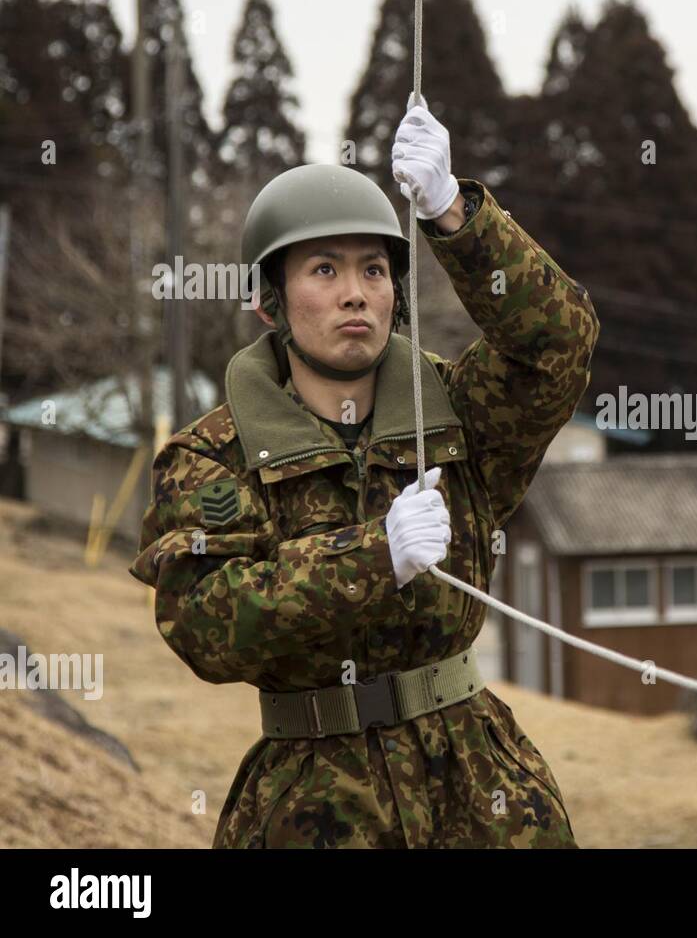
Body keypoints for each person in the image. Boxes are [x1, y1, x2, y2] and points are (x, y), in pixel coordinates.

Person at [128, 102, 598, 848]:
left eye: (374, 269)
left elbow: (559, 344)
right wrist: (371, 559)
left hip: (480, 786)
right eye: (325, 269)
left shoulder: (457, 416)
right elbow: (208, 626)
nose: (356, 292)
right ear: (266, 301)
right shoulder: (211, 455)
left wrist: (454, 215)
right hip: (311, 802)